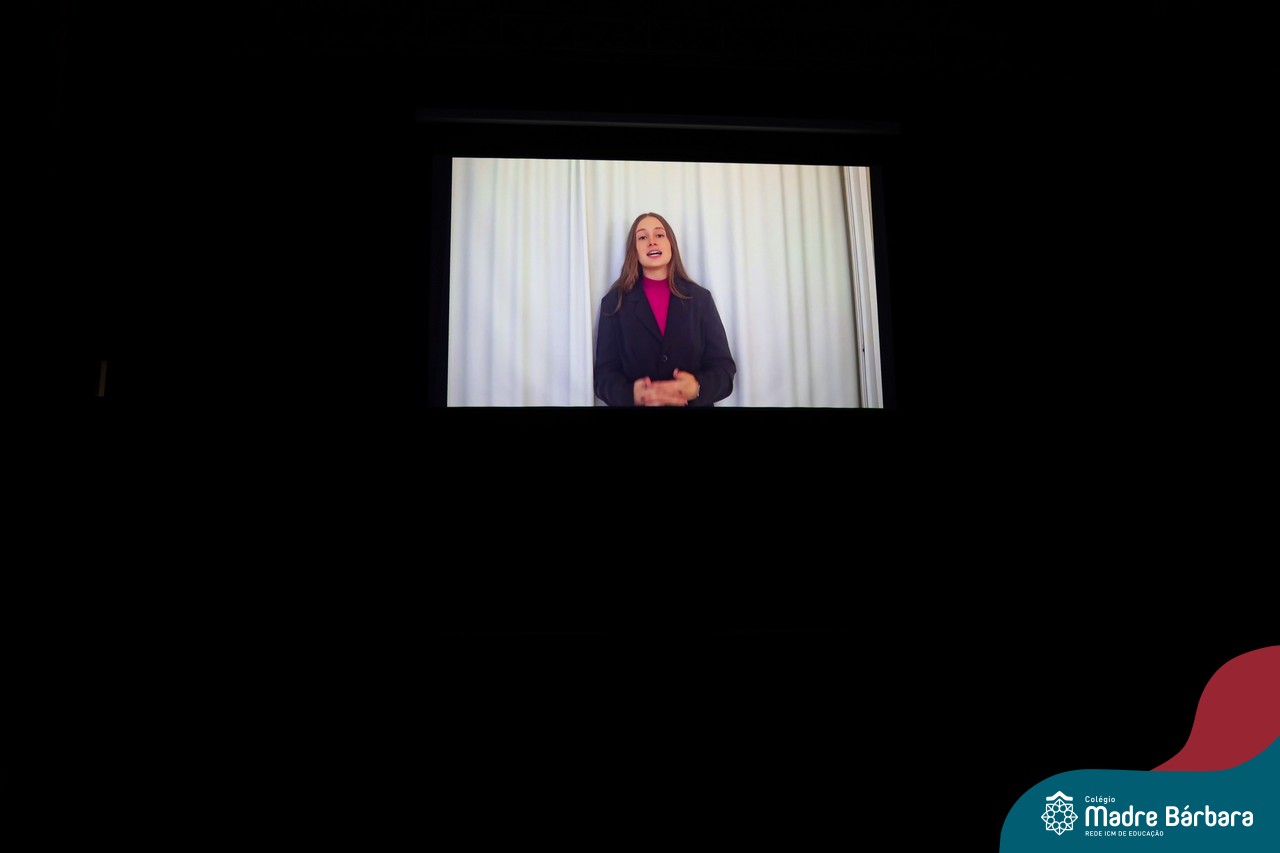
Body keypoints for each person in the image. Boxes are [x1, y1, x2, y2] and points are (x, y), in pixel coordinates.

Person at [594, 212, 737, 406]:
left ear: (671, 245)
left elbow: (724, 368)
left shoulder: (701, 299)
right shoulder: (613, 303)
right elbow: (604, 376)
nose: (652, 241)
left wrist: (697, 388)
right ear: (634, 250)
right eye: (642, 237)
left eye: (659, 235)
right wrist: (631, 395)